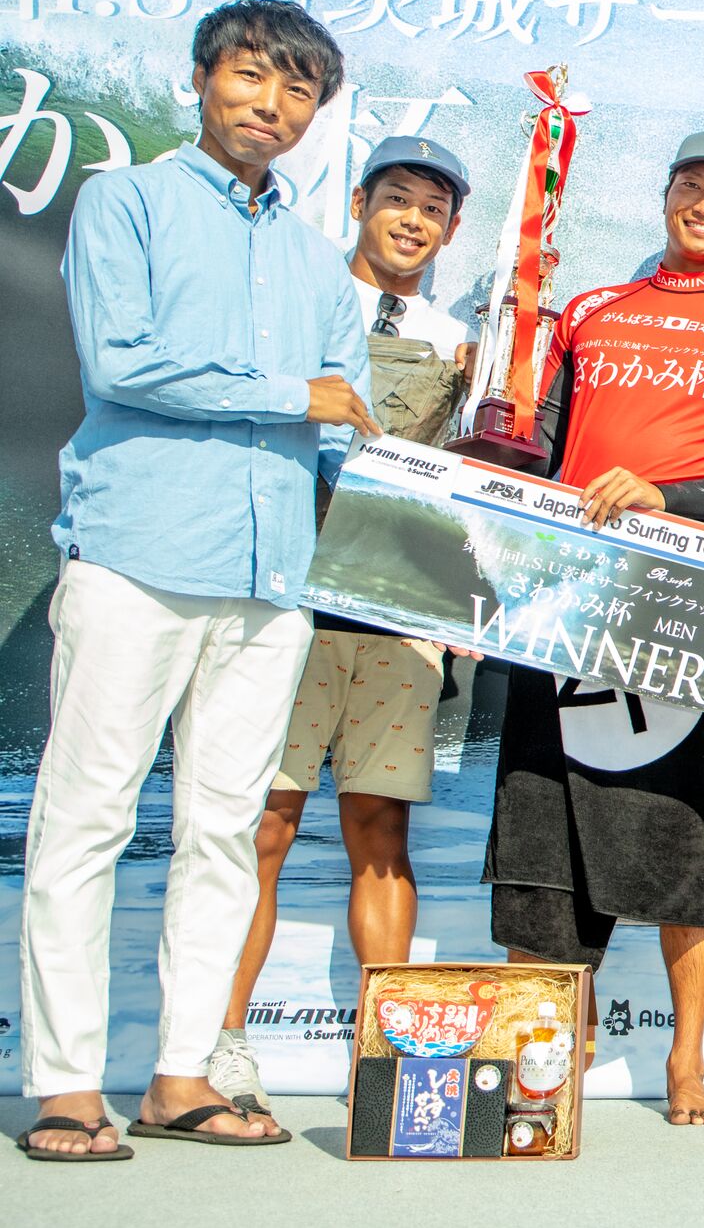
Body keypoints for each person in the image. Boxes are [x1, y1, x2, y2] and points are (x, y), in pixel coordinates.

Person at [16, 0, 373, 1161]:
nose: (271, 104)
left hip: (273, 583)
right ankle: (66, 1085)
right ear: (202, 79)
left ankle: (181, 1077)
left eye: (298, 89)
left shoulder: (319, 261)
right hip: (137, 559)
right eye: (250, 76)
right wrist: (290, 395)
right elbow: (123, 362)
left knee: (224, 834)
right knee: (86, 822)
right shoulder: (126, 202)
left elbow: (346, 423)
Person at [482, 128, 704, 1127]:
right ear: (666, 195)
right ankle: (545, 1054)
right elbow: (535, 451)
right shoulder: (589, 309)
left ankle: (685, 1063)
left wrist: (665, 497)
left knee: (680, 836)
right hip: (561, 596)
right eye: (691, 186)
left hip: (683, 606)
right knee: (540, 827)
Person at [207, 137, 474, 1121]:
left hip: (397, 613)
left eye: (433, 209)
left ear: (451, 230)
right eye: (397, 198)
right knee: (262, 826)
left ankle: (390, 1063)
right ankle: (217, 1046)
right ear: (359, 202)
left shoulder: (463, 341)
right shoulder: (297, 300)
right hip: (285, 599)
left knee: (381, 831)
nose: (412, 220)